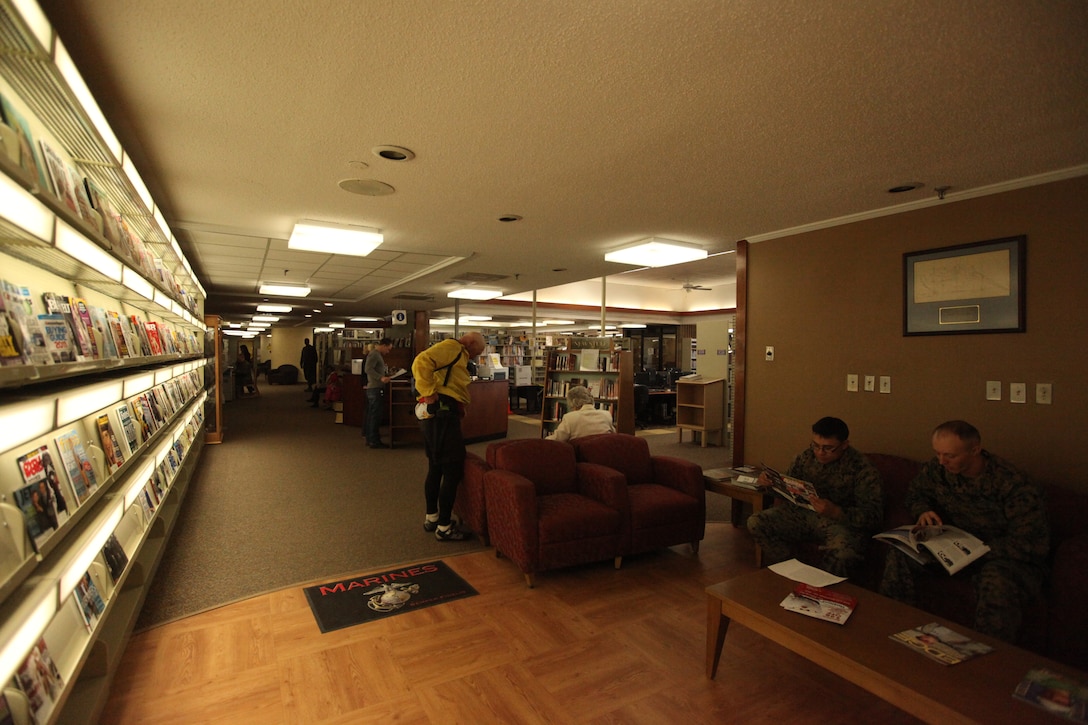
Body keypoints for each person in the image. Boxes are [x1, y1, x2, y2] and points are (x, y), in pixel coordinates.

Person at [879, 420, 1049, 642]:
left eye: (950, 456)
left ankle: (988, 656)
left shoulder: (1012, 483)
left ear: (975, 450)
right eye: (937, 453)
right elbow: (915, 494)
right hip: (953, 546)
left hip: (1000, 557)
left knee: (996, 583)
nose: (942, 461)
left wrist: (978, 552)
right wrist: (923, 510)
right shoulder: (937, 470)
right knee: (902, 554)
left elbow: (1031, 543)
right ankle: (891, 626)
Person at [747, 416, 883, 578]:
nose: (820, 452)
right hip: (802, 514)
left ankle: (821, 590)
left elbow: (873, 516)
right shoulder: (806, 457)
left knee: (844, 552)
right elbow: (787, 491)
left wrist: (837, 512)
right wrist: (769, 485)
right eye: (816, 446)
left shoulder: (862, 468)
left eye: (828, 448)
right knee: (756, 522)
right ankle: (791, 572)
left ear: (844, 445)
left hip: (839, 523)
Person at [412, 331, 486, 541]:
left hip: (438, 415)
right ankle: (444, 527)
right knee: (452, 468)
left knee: (436, 466)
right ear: (470, 343)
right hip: (442, 414)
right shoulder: (453, 347)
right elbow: (421, 361)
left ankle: (432, 517)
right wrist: (430, 394)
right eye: (477, 352)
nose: (475, 357)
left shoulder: (458, 353)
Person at [546, 385, 615, 441]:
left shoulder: (570, 418)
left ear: (573, 403)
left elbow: (555, 440)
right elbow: (614, 437)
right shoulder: (607, 415)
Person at [364, 338, 394, 448]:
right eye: (388, 349)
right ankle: (374, 441)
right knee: (375, 416)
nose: (388, 352)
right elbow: (368, 369)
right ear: (384, 345)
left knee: (373, 415)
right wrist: (380, 377)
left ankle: (370, 439)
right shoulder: (374, 354)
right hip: (375, 388)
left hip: (375, 388)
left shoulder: (376, 355)